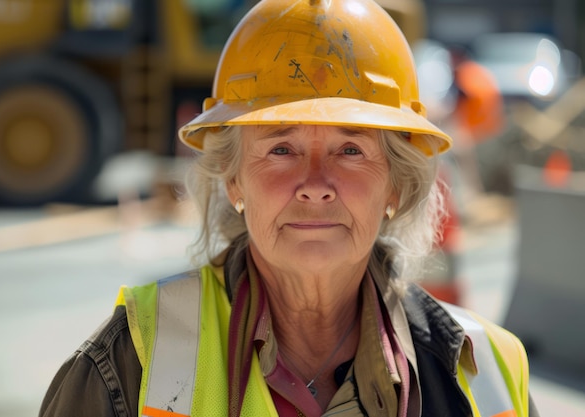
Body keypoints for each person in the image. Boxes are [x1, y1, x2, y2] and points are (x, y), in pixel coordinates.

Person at [40, 0, 538, 416]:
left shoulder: (488, 371)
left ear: (396, 187)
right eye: (281, 149)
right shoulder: (132, 361)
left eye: (351, 150)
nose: (316, 186)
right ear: (234, 180)